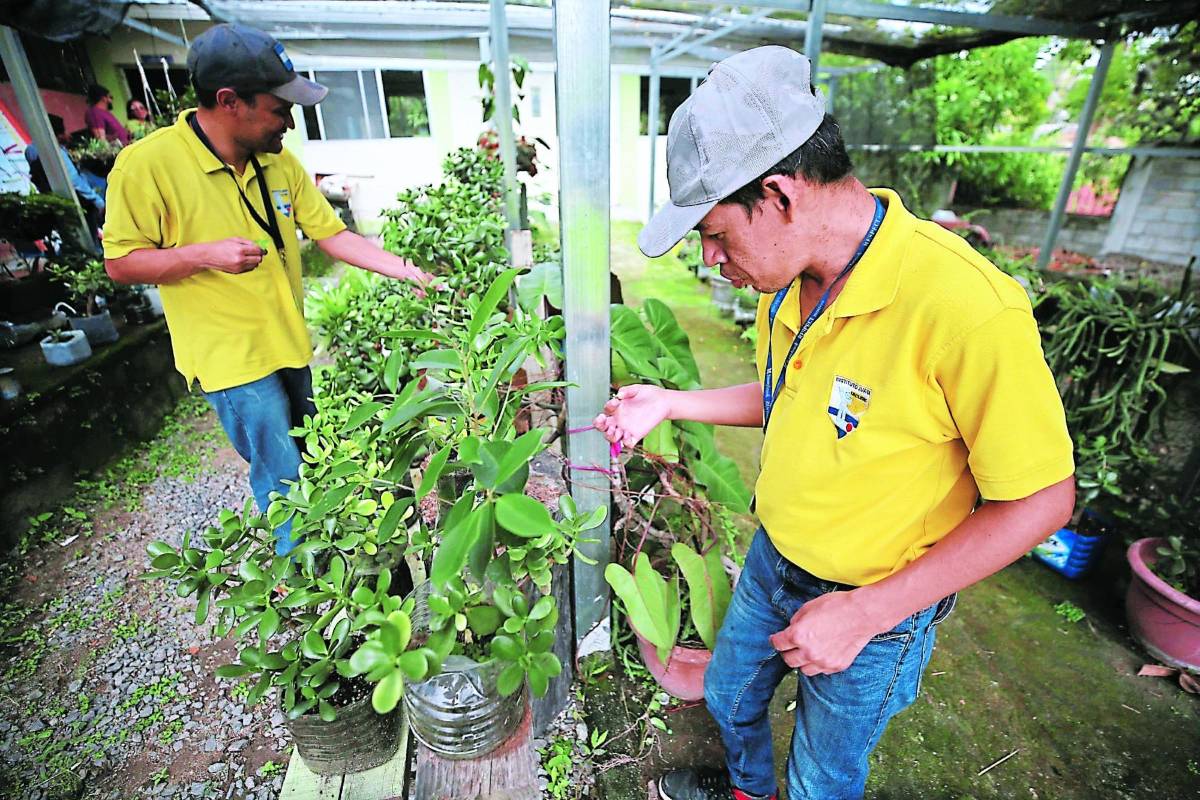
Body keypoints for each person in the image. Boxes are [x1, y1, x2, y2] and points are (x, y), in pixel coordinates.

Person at [593, 46, 1075, 800]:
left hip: (879, 604)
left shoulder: (967, 308)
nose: (713, 259)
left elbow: (1042, 500)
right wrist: (673, 401)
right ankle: (749, 791)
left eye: (717, 235)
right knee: (727, 698)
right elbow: (791, 394)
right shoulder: (785, 281)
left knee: (823, 776)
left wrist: (865, 612)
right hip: (772, 559)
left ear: (781, 195)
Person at [102, 23, 434, 556]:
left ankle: (341, 563)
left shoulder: (278, 160)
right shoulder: (146, 167)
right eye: (280, 107)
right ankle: (312, 588)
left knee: (314, 460)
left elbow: (333, 235)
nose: (290, 119)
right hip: (231, 361)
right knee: (282, 477)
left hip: (288, 342)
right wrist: (204, 255)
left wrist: (408, 270)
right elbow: (120, 263)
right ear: (229, 101)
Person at [24, 113, 105, 233]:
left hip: (54, 203)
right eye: (64, 131)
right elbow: (74, 181)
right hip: (77, 202)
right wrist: (98, 202)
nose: (68, 134)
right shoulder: (57, 151)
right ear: (58, 134)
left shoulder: (31, 150)